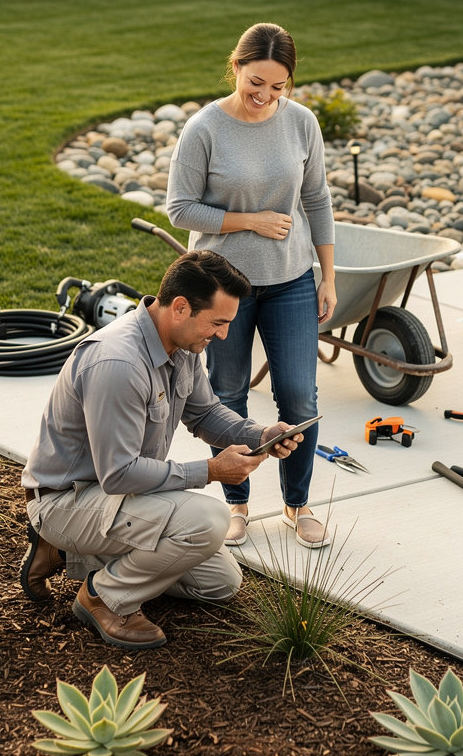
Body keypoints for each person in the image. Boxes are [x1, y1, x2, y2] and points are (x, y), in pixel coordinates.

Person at [19, 249, 306, 650]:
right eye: (218, 323)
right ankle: (102, 597)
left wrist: (261, 435)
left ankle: (69, 554)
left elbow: (205, 415)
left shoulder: (184, 348)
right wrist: (211, 471)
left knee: (220, 583)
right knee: (206, 519)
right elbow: (118, 474)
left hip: (123, 498)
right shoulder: (118, 363)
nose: (223, 334)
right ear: (181, 307)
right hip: (70, 499)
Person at [166, 22, 337, 550]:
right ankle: (236, 504)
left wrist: (327, 276)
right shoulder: (204, 128)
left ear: (290, 83)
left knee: (298, 395)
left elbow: (318, 199)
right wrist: (251, 220)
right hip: (223, 289)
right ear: (236, 67)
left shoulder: (302, 123)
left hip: (291, 282)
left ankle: (296, 504)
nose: (264, 95)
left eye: (278, 86)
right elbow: (180, 209)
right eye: (255, 81)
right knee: (228, 395)